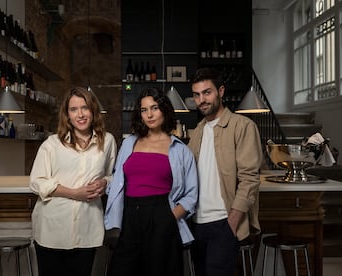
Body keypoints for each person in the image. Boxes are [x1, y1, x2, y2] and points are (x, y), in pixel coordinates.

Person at [104, 87, 198, 276]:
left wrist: (170, 218)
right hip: (129, 217)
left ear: (164, 110)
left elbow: (191, 194)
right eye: (144, 110)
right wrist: (103, 184)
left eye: (154, 108)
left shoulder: (180, 150)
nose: (149, 114)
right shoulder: (129, 143)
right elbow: (119, 180)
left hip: (161, 214)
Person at [29, 87, 117, 276]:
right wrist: (74, 193)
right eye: (74, 109)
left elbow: (112, 176)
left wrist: (105, 183)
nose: (80, 114)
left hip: (87, 227)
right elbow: (37, 182)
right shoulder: (52, 144)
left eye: (85, 108)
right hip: (52, 229)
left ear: (93, 111)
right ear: (67, 115)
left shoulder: (108, 141)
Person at [188, 67, 263, 275]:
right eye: (196, 94)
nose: (201, 99)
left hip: (223, 222)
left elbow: (249, 179)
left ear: (220, 91)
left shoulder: (243, 126)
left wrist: (232, 222)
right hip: (197, 223)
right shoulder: (197, 132)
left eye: (207, 92)